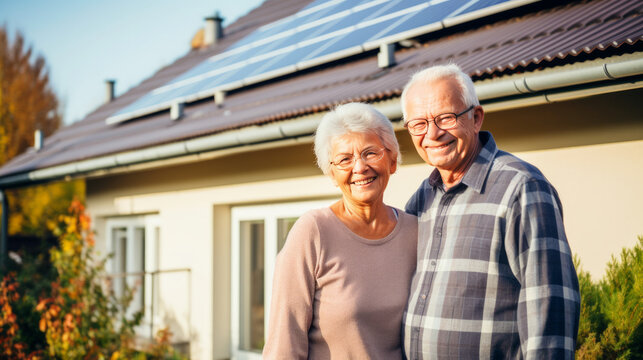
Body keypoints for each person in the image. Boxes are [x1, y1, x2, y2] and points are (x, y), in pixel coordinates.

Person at [400, 64, 580, 359]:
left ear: (475, 118)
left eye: (446, 118)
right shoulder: (422, 198)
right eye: (418, 124)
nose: (432, 133)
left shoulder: (521, 187)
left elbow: (550, 304)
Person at [263, 102, 418, 359]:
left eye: (370, 153)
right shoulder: (313, 231)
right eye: (345, 159)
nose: (359, 167)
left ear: (392, 160)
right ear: (333, 174)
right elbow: (284, 342)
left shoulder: (416, 232)